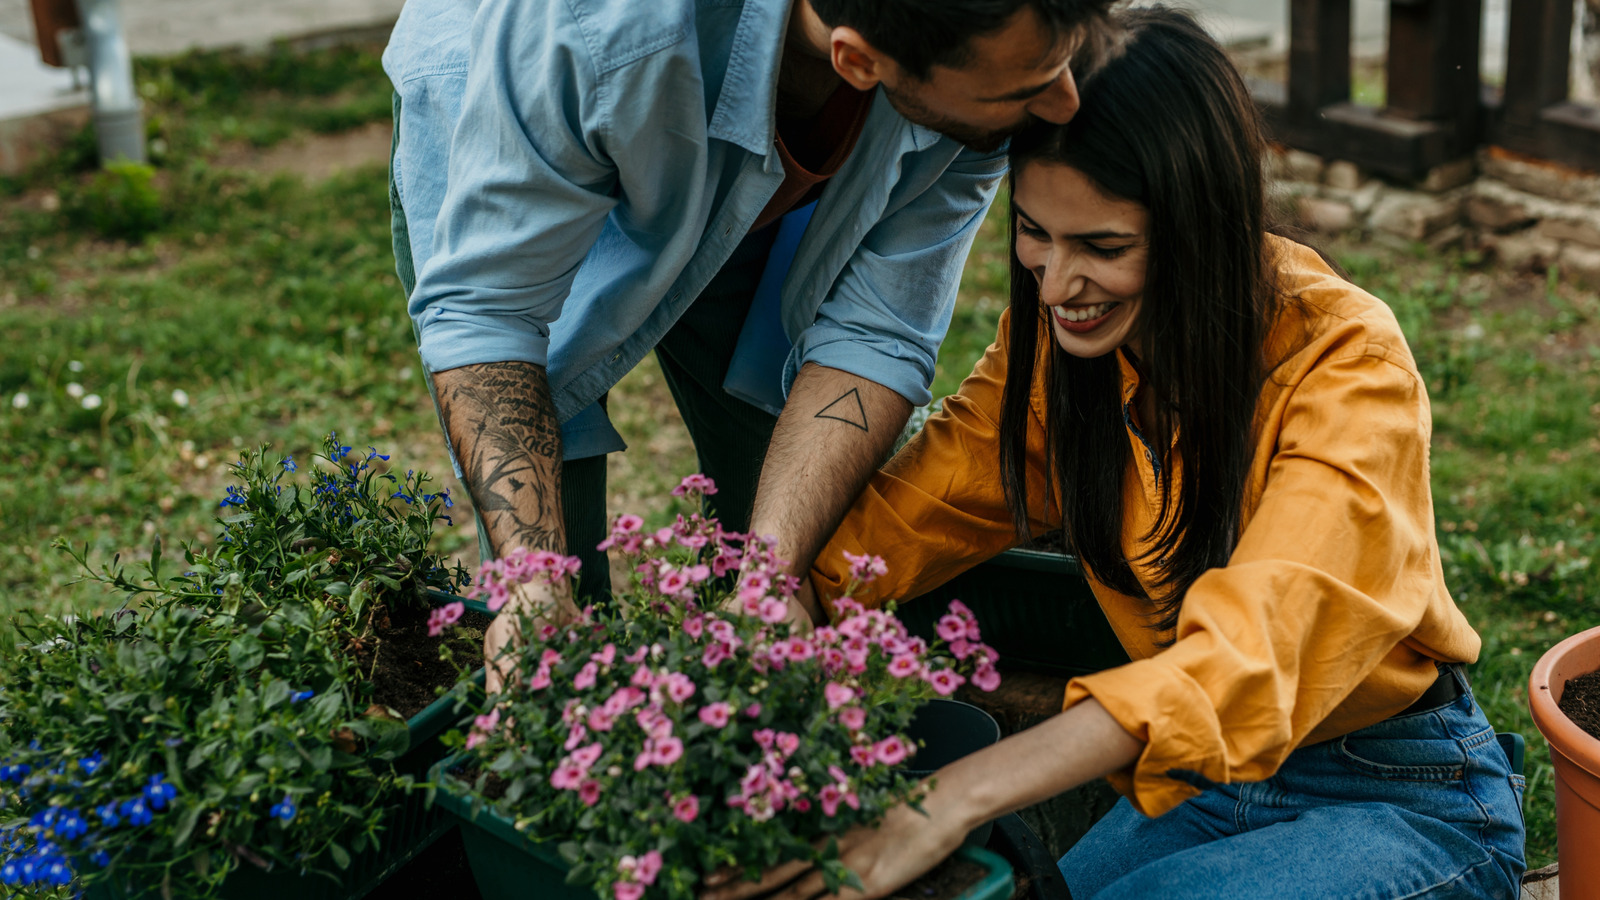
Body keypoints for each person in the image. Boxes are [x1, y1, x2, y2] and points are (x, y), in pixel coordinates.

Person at [707, 7, 1528, 899]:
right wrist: (763, 620)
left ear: (1198, 228)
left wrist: (949, 799)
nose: (1057, 286)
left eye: (1103, 247)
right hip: (1199, 784)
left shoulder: (1347, 363)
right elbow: (907, 515)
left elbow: (1256, 648)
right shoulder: (1065, 356)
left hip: (1396, 792)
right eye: (1034, 235)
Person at [382, 0, 1111, 690]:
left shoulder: (980, 73)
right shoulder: (601, 33)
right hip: (523, 109)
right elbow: (491, 311)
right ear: (858, 61)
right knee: (552, 583)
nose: (1067, 105)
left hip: (723, 131)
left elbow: (876, 333)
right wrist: (534, 583)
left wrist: (773, 581)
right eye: (1027, 87)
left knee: (781, 473)